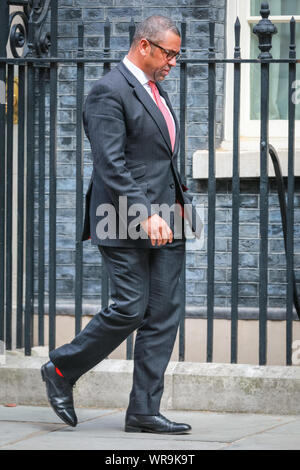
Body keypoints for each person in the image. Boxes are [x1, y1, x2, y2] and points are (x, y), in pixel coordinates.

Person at [41, 15, 197, 434]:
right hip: (124, 218)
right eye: (169, 53)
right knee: (130, 307)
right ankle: (60, 369)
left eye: (177, 55)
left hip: (168, 217)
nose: (173, 63)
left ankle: (144, 410)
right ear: (144, 46)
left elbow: (158, 157)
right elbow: (111, 165)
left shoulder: (156, 90)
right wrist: (145, 213)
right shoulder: (108, 92)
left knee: (163, 313)